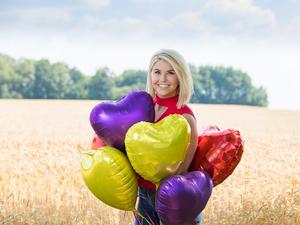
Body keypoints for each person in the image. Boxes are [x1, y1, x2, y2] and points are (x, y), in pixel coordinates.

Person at [134, 49, 202, 225]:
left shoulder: (184, 116)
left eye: (171, 73)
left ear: (180, 77)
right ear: (150, 75)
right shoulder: (144, 109)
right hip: (144, 195)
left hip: (173, 200)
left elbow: (183, 168)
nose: (162, 79)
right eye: (157, 72)